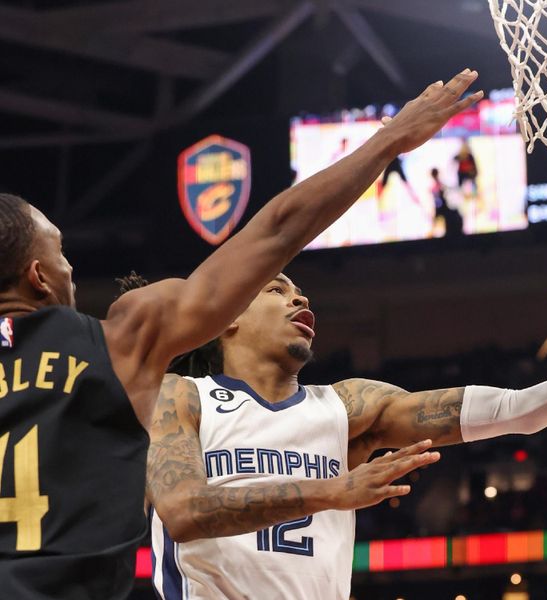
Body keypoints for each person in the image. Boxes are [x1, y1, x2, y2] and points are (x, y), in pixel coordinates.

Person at [0, 68, 483, 600]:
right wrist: (392, 138)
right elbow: (277, 229)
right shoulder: (121, 341)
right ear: (38, 276)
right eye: (60, 253)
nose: (70, 268)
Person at [143, 266, 547, 599]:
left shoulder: (347, 407)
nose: (299, 295)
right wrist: (330, 492)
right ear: (224, 320)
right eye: (275, 288)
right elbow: (182, 511)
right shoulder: (182, 396)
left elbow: (519, 410)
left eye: (300, 289)